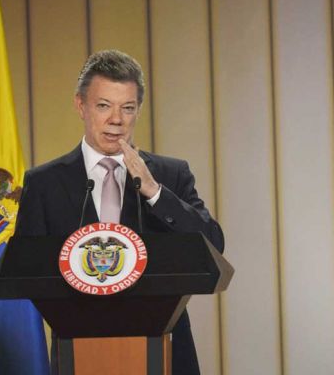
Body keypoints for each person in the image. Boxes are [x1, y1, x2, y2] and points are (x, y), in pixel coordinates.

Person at [16, 49, 224, 375]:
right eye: (103, 106)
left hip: (166, 349)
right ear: (80, 105)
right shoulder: (44, 183)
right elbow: (24, 270)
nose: (116, 119)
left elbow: (213, 244)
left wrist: (154, 193)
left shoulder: (170, 175)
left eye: (127, 108)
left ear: (138, 111)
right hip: (80, 350)